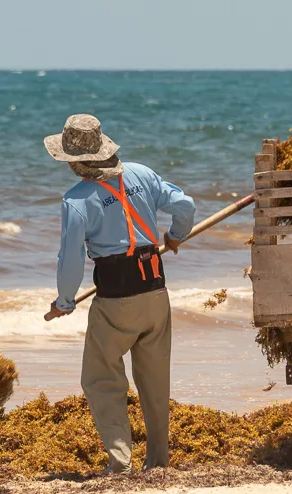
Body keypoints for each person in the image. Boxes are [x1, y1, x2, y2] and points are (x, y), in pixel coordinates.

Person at [44, 114, 196, 474]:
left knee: (100, 378)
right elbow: (185, 205)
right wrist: (175, 235)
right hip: (156, 292)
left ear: (78, 162)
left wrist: (65, 301)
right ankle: (158, 461)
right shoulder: (142, 174)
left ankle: (121, 460)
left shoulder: (76, 200)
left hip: (115, 299)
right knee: (155, 382)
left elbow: (70, 259)